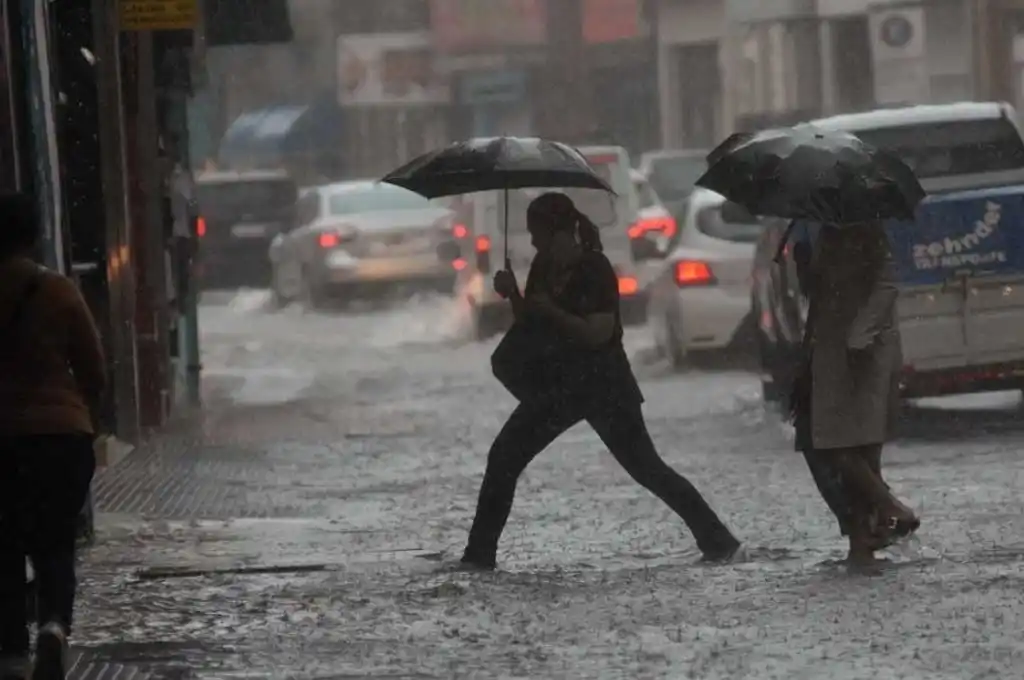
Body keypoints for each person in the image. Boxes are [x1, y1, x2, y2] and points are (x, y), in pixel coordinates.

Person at [460, 192, 742, 570]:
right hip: (558, 386)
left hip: (602, 384)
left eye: (536, 233)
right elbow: (534, 323)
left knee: (646, 468)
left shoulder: (595, 269)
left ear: (557, 231)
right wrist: (515, 296)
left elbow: (598, 333)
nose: (532, 242)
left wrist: (551, 311)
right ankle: (479, 557)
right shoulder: (544, 265)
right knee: (504, 458)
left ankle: (718, 541)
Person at [0, 194, 106, 680]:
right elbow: (93, 369)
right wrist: (90, 421)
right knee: (55, 543)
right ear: (35, 235)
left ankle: (12, 654)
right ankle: (53, 627)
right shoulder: (59, 291)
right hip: (62, 437)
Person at [790, 220, 919, 564]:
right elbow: (817, 294)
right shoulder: (818, 231)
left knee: (838, 444)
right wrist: (803, 265)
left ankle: (887, 511)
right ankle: (865, 538)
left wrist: (860, 335)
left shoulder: (865, 227)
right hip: (825, 350)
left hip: (862, 353)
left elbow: (886, 284)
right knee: (832, 443)